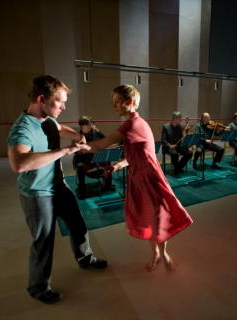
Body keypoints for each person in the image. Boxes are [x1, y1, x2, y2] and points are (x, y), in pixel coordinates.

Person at [7, 75, 107, 305]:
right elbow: (19, 163)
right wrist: (66, 151)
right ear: (42, 99)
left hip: (58, 186)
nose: (63, 106)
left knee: (77, 223)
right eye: (59, 101)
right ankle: (38, 288)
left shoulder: (48, 119)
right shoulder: (22, 129)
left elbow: (60, 128)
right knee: (44, 240)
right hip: (37, 193)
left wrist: (78, 136)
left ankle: (86, 259)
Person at [81, 85, 193, 272]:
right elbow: (134, 156)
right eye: (114, 102)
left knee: (158, 216)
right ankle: (156, 253)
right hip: (138, 177)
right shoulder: (137, 123)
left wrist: (78, 144)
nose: (114, 105)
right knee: (148, 216)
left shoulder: (131, 125)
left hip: (149, 176)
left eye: (117, 101)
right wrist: (117, 165)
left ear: (130, 102)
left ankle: (162, 252)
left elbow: (100, 145)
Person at [73, 116, 115, 199]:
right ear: (81, 126)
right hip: (84, 159)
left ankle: (108, 185)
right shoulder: (78, 136)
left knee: (107, 161)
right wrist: (82, 150)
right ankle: (82, 191)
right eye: (84, 125)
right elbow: (76, 151)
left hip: (96, 157)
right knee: (80, 166)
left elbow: (105, 141)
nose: (87, 127)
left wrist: (99, 132)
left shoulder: (96, 132)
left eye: (88, 125)